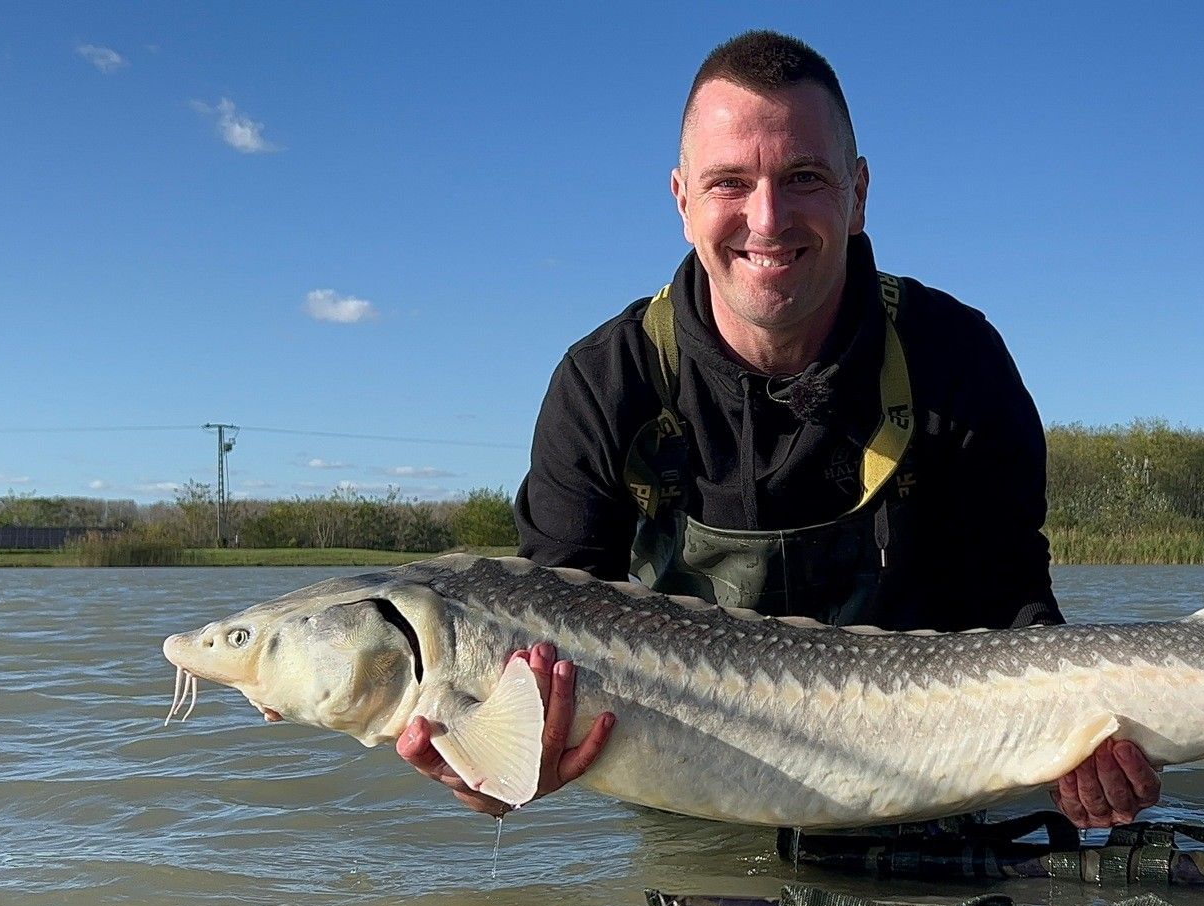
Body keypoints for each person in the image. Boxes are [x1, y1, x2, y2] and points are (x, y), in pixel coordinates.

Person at [397, 30, 1160, 829]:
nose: (767, 219)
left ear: (858, 193)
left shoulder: (956, 357)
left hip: (938, 792)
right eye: (731, 182)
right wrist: (500, 762)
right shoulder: (603, 384)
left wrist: (1087, 753)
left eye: (803, 178)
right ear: (682, 199)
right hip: (697, 809)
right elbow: (544, 648)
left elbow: (1015, 607)